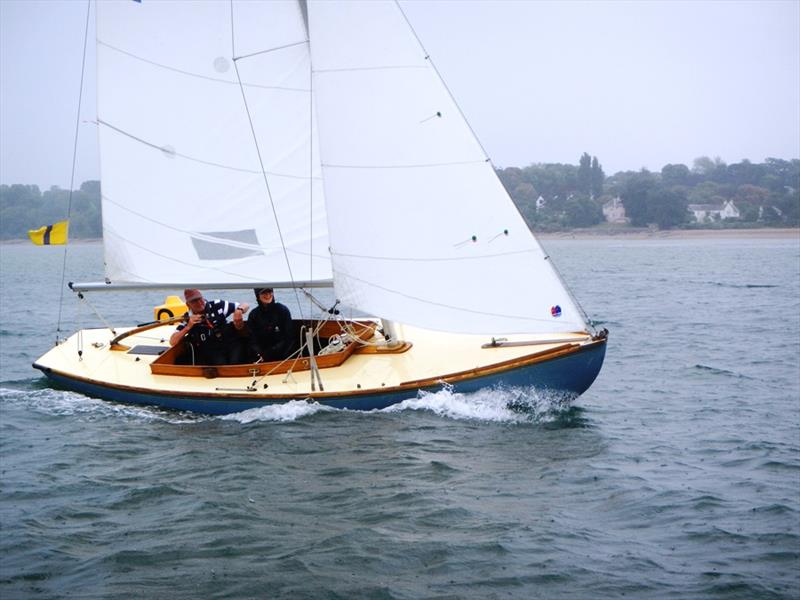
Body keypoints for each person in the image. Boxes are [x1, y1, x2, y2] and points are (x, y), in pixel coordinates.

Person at [169, 289, 250, 365]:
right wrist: (188, 327)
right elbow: (173, 341)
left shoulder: (218, 305)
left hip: (230, 344)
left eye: (199, 298)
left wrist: (239, 310)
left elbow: (245, 305)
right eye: (194, 301)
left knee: (238, 360)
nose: (199, 302)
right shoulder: (187, 318)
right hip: (211, 351)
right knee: (218, 363)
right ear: (188, 304)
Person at [247, 287, 293, 362]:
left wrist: (270, 353)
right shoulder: (253, 315)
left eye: (270, 291)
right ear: (257, 295)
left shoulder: (282, 310)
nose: (268, 294)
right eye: (264, 292)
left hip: (283, 356)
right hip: (261, 357)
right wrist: (259, 354)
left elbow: (288, 337)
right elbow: (252, 340)